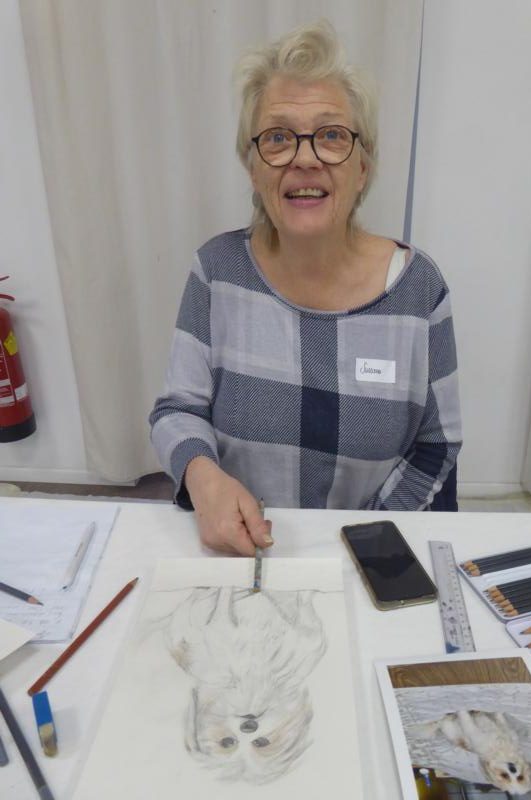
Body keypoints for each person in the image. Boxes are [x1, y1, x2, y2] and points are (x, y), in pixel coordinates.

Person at [149, 20, 461, 556]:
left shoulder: (419, 290)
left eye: (332, 135)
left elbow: (437, 444)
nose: (305, 157)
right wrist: (203, 479)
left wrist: (362, 544)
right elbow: (177, 410)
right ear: (253, 169)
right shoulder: (216, 271)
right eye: (277, 137)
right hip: (241, 550)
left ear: (363, 168)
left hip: (366, 555)